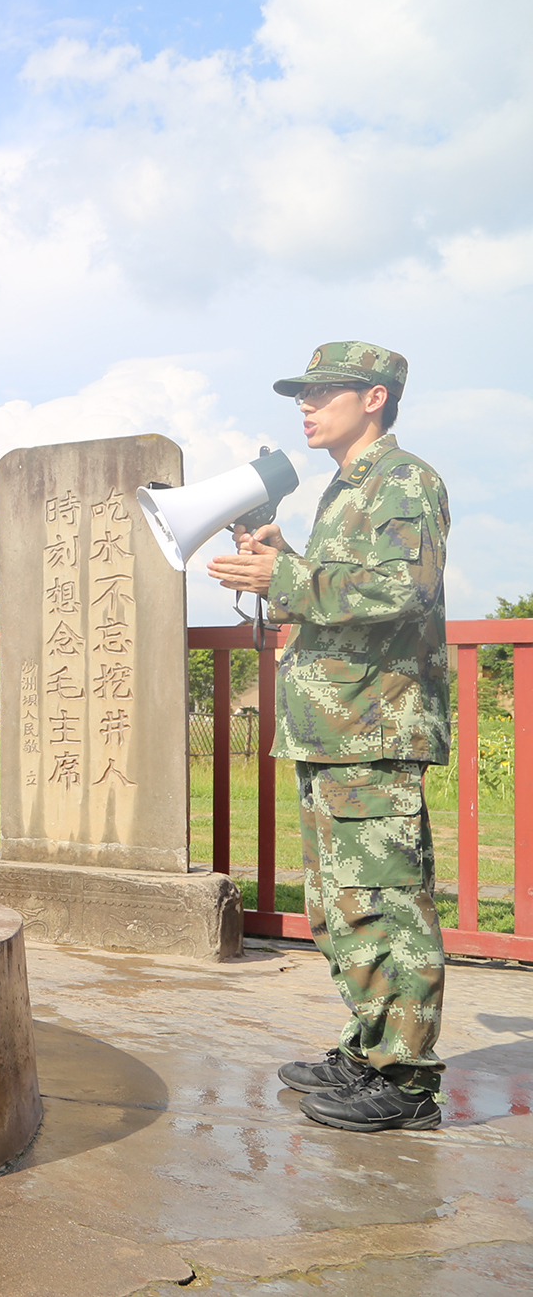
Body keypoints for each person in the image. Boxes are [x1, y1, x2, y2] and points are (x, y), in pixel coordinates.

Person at [209, 341, 450, 1134]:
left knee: (384, 905)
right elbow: (339, 594)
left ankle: (407, 1080)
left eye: (323, 393)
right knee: (338, 905)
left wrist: (282, 578)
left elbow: (400, 590)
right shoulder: (346, 490)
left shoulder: (403, 480)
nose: (306, 407)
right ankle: (367, 1046)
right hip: (332, 728)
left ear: (374, 398)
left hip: (373, 728)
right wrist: (287, 562)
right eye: (303, 396)